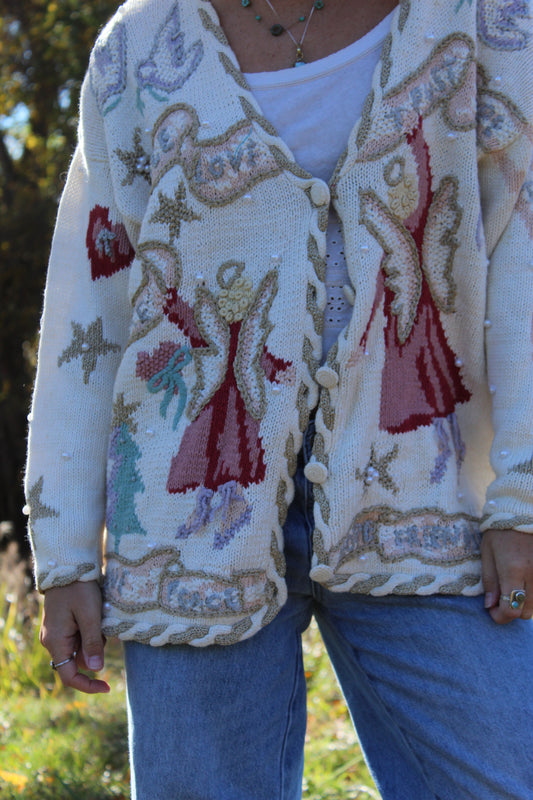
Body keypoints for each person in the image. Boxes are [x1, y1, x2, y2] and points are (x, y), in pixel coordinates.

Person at [25, 0, 533, 797]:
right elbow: (92, 305)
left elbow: (522, 260)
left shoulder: (484, 21)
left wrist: (521, 495)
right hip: (186, 527)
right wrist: (63, 554)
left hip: (431, 499)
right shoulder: (139, 49)